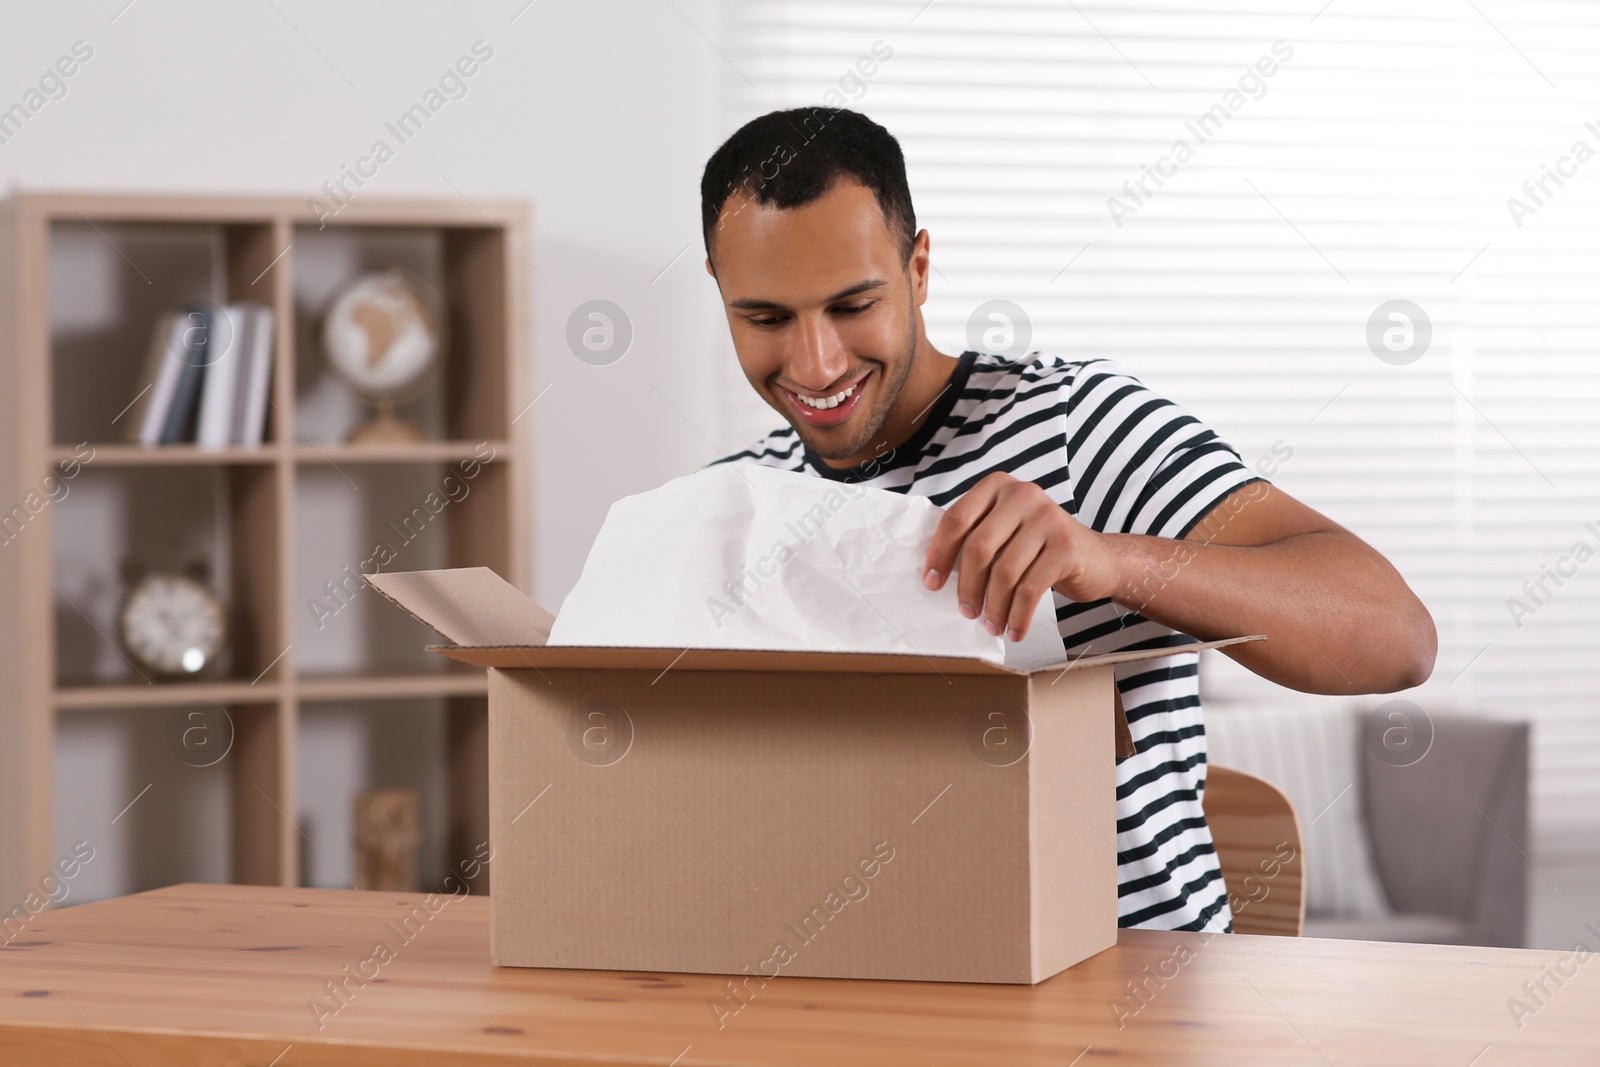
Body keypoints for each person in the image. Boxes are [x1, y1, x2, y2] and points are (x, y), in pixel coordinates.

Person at [699, 107, 1436, 933]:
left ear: (919, 268)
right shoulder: (728, 506)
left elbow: (1395, 636)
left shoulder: (1075, 426)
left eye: (852, 305)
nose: (816, 363)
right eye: (765, 318)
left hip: (1132, 999)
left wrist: (1113, 561)